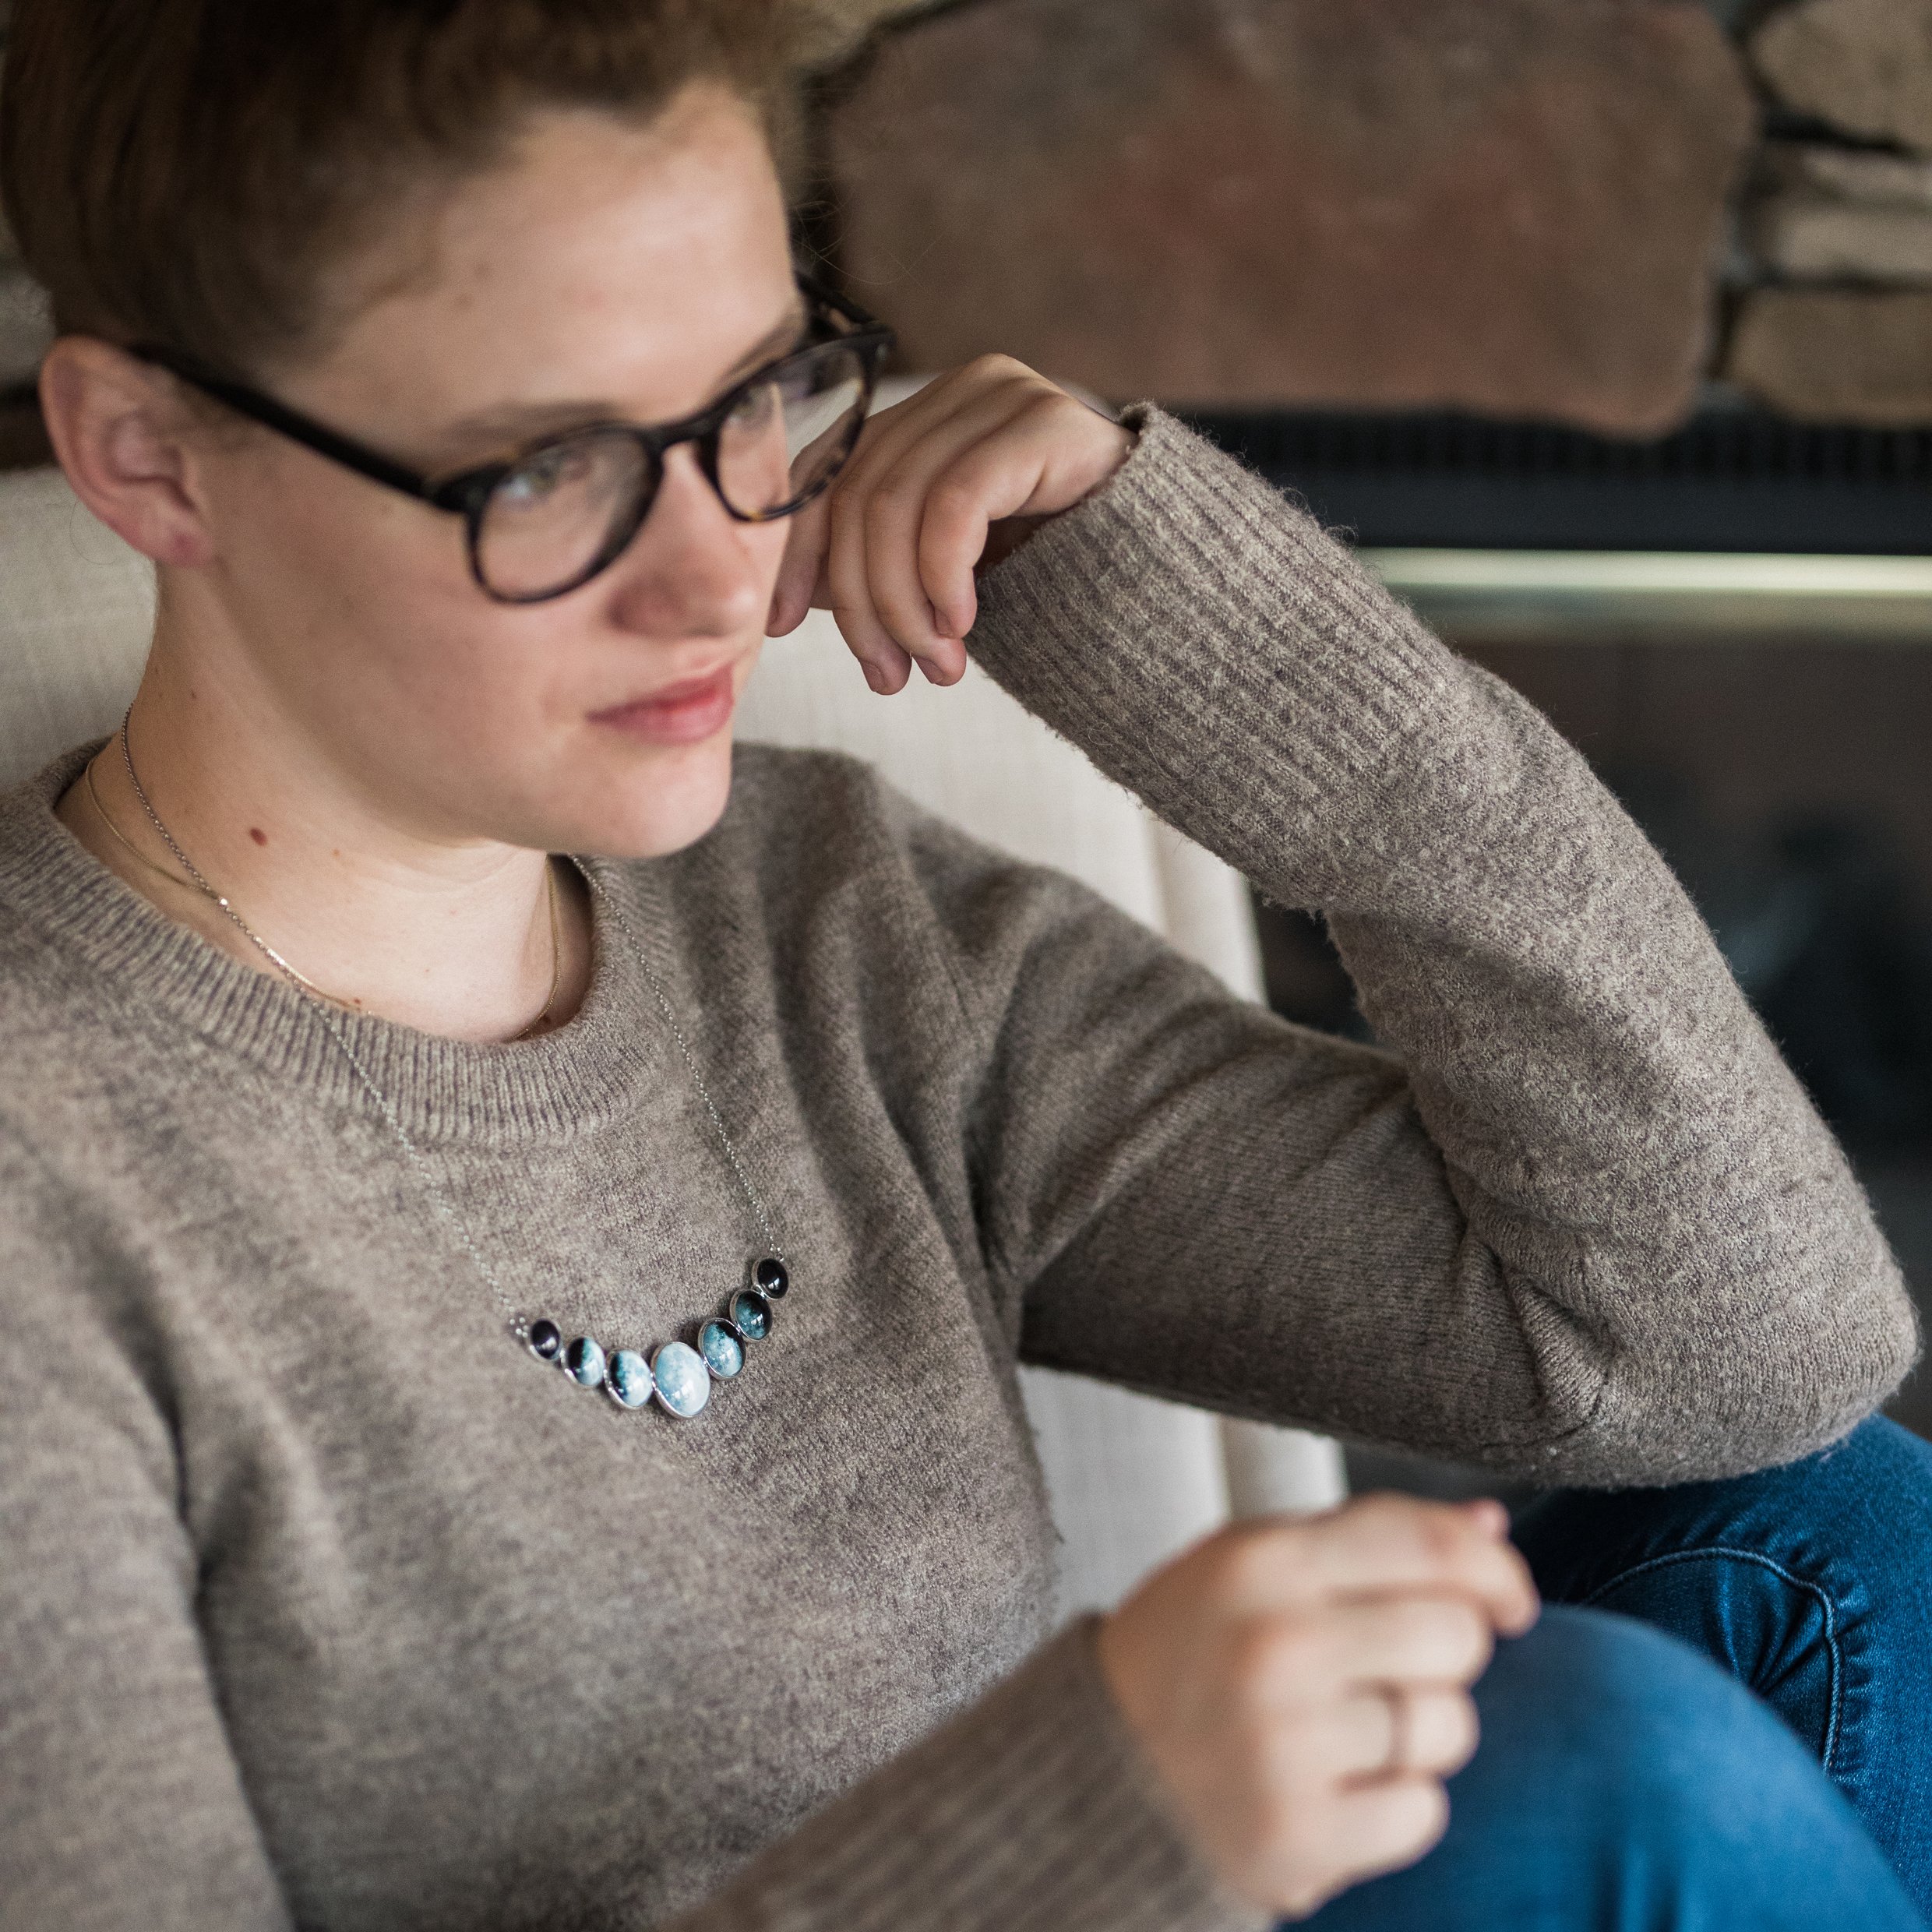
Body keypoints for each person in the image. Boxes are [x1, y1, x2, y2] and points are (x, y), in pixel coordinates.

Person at [0, 3, 1927, 1928]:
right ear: (151, 456)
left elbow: (1741, 1352)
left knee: (1835, 1538)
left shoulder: (819, 916)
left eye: (756, 402)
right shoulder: (48, 1177)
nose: (722, 574)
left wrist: (1250, 666)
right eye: (554, 468)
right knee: (1610, 1755)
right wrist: (1087, 1835)